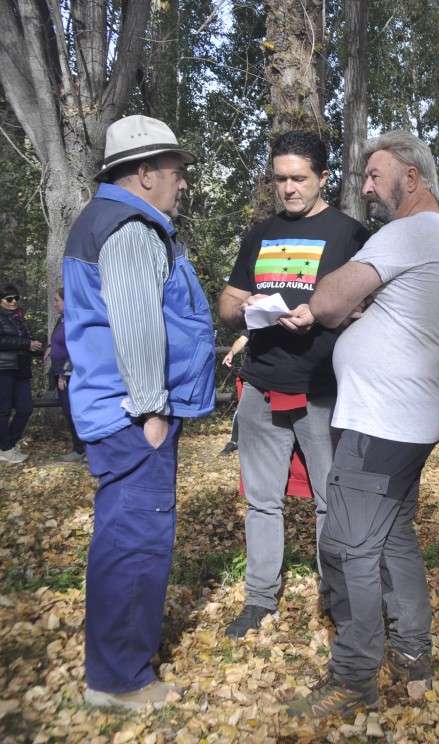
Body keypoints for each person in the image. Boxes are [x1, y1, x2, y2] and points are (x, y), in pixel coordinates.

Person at [287, 130, 439, 717]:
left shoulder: (410, 230)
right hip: (407, 416)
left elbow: (328, 300)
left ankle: (355, 676)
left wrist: (338, 301)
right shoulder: (437, 235)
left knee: (347, 549)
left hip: (381, 421)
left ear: (410, 178)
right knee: (393, 540)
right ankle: (414, 656)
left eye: (374, 176)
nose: (364, 187)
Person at [62, 115, 215, 709]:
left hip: (115, 409)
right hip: (133, 415)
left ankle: (112, 665)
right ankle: (120, 680)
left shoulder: (104, 219)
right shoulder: (130, 227)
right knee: (136, 540)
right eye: (176, 173)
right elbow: (136, 325)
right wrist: (152, 409)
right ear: (146, 173)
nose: (182, 184)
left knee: (124, 534)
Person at [218, 131, 371, 639]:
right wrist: (249, 309)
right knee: (262, 499)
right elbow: (227, 303)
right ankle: (260, 599)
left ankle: (335, 598)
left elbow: (372, 311)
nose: (288, 188)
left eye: (298, 178)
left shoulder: (351, 235)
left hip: (322, 389)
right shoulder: (258, 234)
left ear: (323, 178)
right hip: (261, 384)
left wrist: (328, 317)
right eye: (280, 179)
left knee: (331, 500)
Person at [0, 285, 41, 463]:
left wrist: (37, 347)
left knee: (26, 408)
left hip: (22, 368)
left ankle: (6, 446)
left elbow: (25, 341)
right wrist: (26, 344)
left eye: (16, 298)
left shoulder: (20, 318)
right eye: (9, 298)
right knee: (4, 410)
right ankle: (6, 448)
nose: (14, 301)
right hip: (4, 368)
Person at [43, 287, 83, 462]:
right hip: (61, 371)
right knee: (68, 411)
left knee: (74, 411)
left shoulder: (74, 321)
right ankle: (80, 448)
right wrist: (50, 347)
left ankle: (81, 449)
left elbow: (76, 349)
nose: (54, 304)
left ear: (66, 301)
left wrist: (65, 373)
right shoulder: (62, 319)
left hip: (70, 374)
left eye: (56, 300)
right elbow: (57, 340)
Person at [218, 332, 249, 456]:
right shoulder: (255, 319)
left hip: (276, 374)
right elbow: (242, 339)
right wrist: (231, 353)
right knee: (243, 406)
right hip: (252, 374)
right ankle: (234, 441)